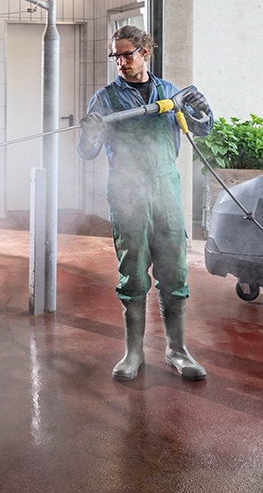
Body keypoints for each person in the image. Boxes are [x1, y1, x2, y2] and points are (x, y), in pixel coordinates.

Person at [77, 25, 213, 382]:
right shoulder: (105, 99)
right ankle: (133, 353)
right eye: (116, 56)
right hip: (127, 194)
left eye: (127, 54)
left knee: (174, 272)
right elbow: (86, 152)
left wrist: (203, 110)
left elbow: (201, 128)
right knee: (133, 274)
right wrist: (89, 133)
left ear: (145, 52)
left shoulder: (169, 92)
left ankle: (177, 350)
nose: (120, 62)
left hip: (166, 188)